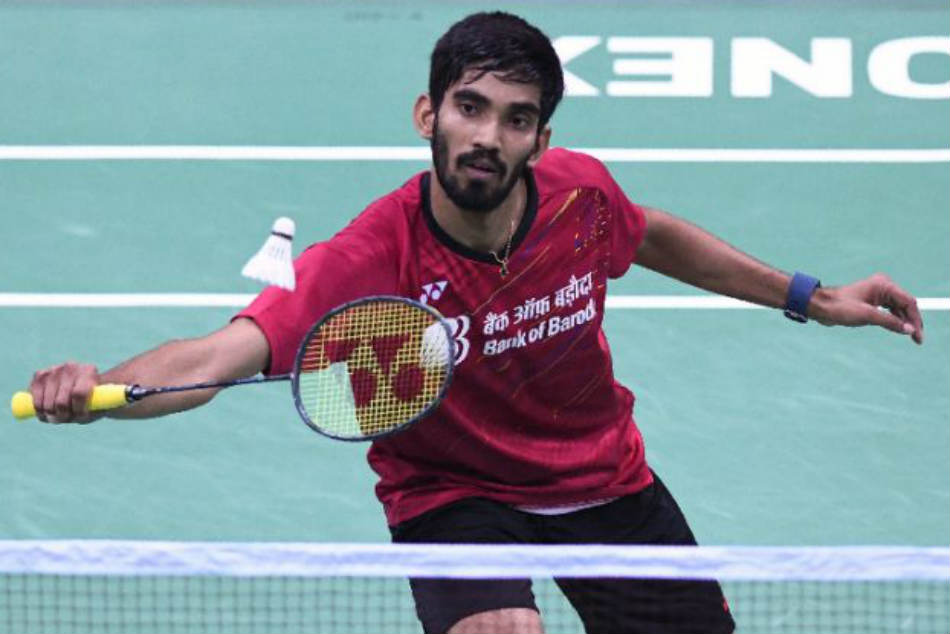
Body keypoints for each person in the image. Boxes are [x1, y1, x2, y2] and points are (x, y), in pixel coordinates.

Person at [26, 11, 923, 634]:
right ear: (429, 115)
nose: (489, 135)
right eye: (470, 107)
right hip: (454, 494)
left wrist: (809, 296)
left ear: (540, 139)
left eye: (516, 118)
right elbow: (220, 356)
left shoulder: (578, 197)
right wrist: (101, 391)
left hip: (603, 478)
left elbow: (650, 234)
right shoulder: (367, 258)